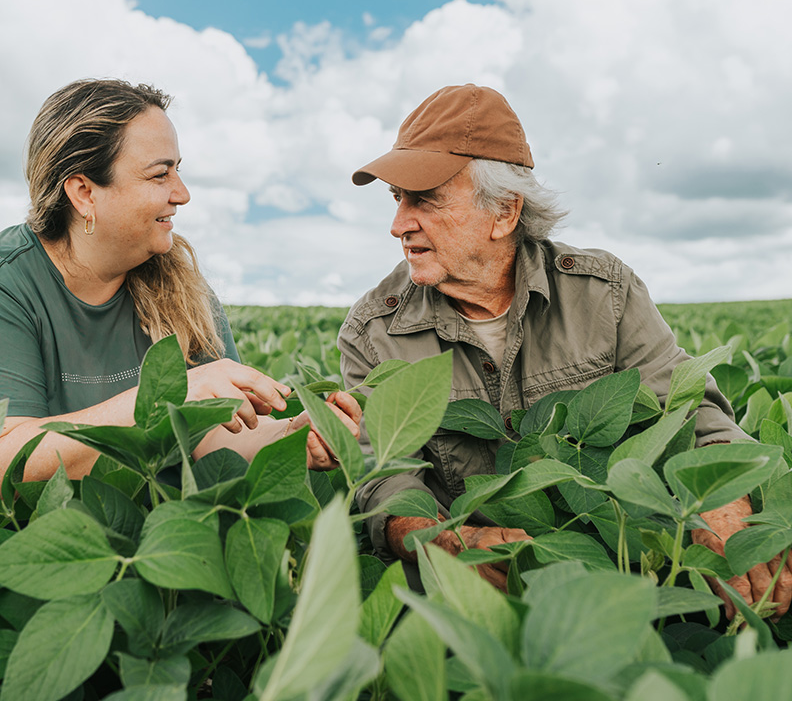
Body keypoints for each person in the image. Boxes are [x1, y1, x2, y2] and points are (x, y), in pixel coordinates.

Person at [339, 83, 791, 615]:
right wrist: (447, 541)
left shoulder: (605, 293)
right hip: (471, 597)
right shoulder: (375, 330)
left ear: (505, 212)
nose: (398, 225)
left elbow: (691, 415)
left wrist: (724, 510)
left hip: (618, 572)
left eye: (426, 200)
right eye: (397, 199)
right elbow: (383, 482)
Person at [0, 78, 360, 483]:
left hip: (164, 534)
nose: (182, 193)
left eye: (179, 170)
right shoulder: (10, 282)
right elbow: (8, 460)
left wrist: (290, 437)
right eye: (159, 175)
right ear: (84, 192)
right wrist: (166, 397)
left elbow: (213, 440)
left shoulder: (182, 287)